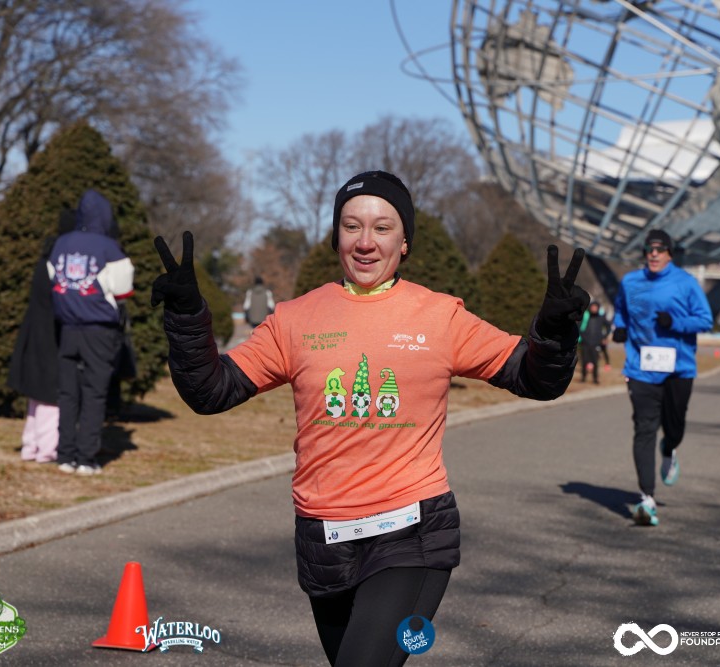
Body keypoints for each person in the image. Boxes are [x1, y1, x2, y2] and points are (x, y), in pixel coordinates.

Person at [150, 170, 589, 667]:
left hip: (410, 533)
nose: (365, 242)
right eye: (351, 226)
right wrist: (187, 317)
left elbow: (535, 379)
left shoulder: (440, 316)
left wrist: (555, 331)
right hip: (324, 539)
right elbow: (211, 391)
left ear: (404, 242)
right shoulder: (295, 318)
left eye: (382, 228)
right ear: (336, 235)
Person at [611, 229, 713, 527]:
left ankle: (669, 449)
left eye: (660, 249)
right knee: (644, 429)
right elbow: (621, 310)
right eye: (649, 249)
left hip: (678, 368)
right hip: (640, 367)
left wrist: (676, 322)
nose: (654, 254)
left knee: (675, 426)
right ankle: (647, 498)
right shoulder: (630, 282)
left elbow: (705, 319)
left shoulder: (686, 283)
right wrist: (620, 327)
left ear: (670, 253)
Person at [48, 189, 135, 475]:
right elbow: (123, 289)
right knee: (95, 393)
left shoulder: (61, 243)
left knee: (67, 393)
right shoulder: (109, 247)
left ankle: (65, 455)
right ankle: (86, 458)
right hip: (99, 330)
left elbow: (53, 278)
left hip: (67, 328)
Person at [7, 209, 75, 463]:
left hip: (35, 331)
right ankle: (47, 449)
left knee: (37, 396)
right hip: (49, 334)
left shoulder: (47, 255)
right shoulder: (59, 261)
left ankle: (31, 446)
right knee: (50, 394)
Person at [579, 302, 607, 383]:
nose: (594, 309)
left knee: (595, 362)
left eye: (595, 307)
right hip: (585, 343)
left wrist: (604, 336)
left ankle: (595, 378)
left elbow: (608, 326)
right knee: (584, 361)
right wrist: (581, 337)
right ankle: (583, 377)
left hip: (596, 343)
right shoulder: (585, 316)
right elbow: (579, 327)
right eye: (593, 307)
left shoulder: (601, 317)